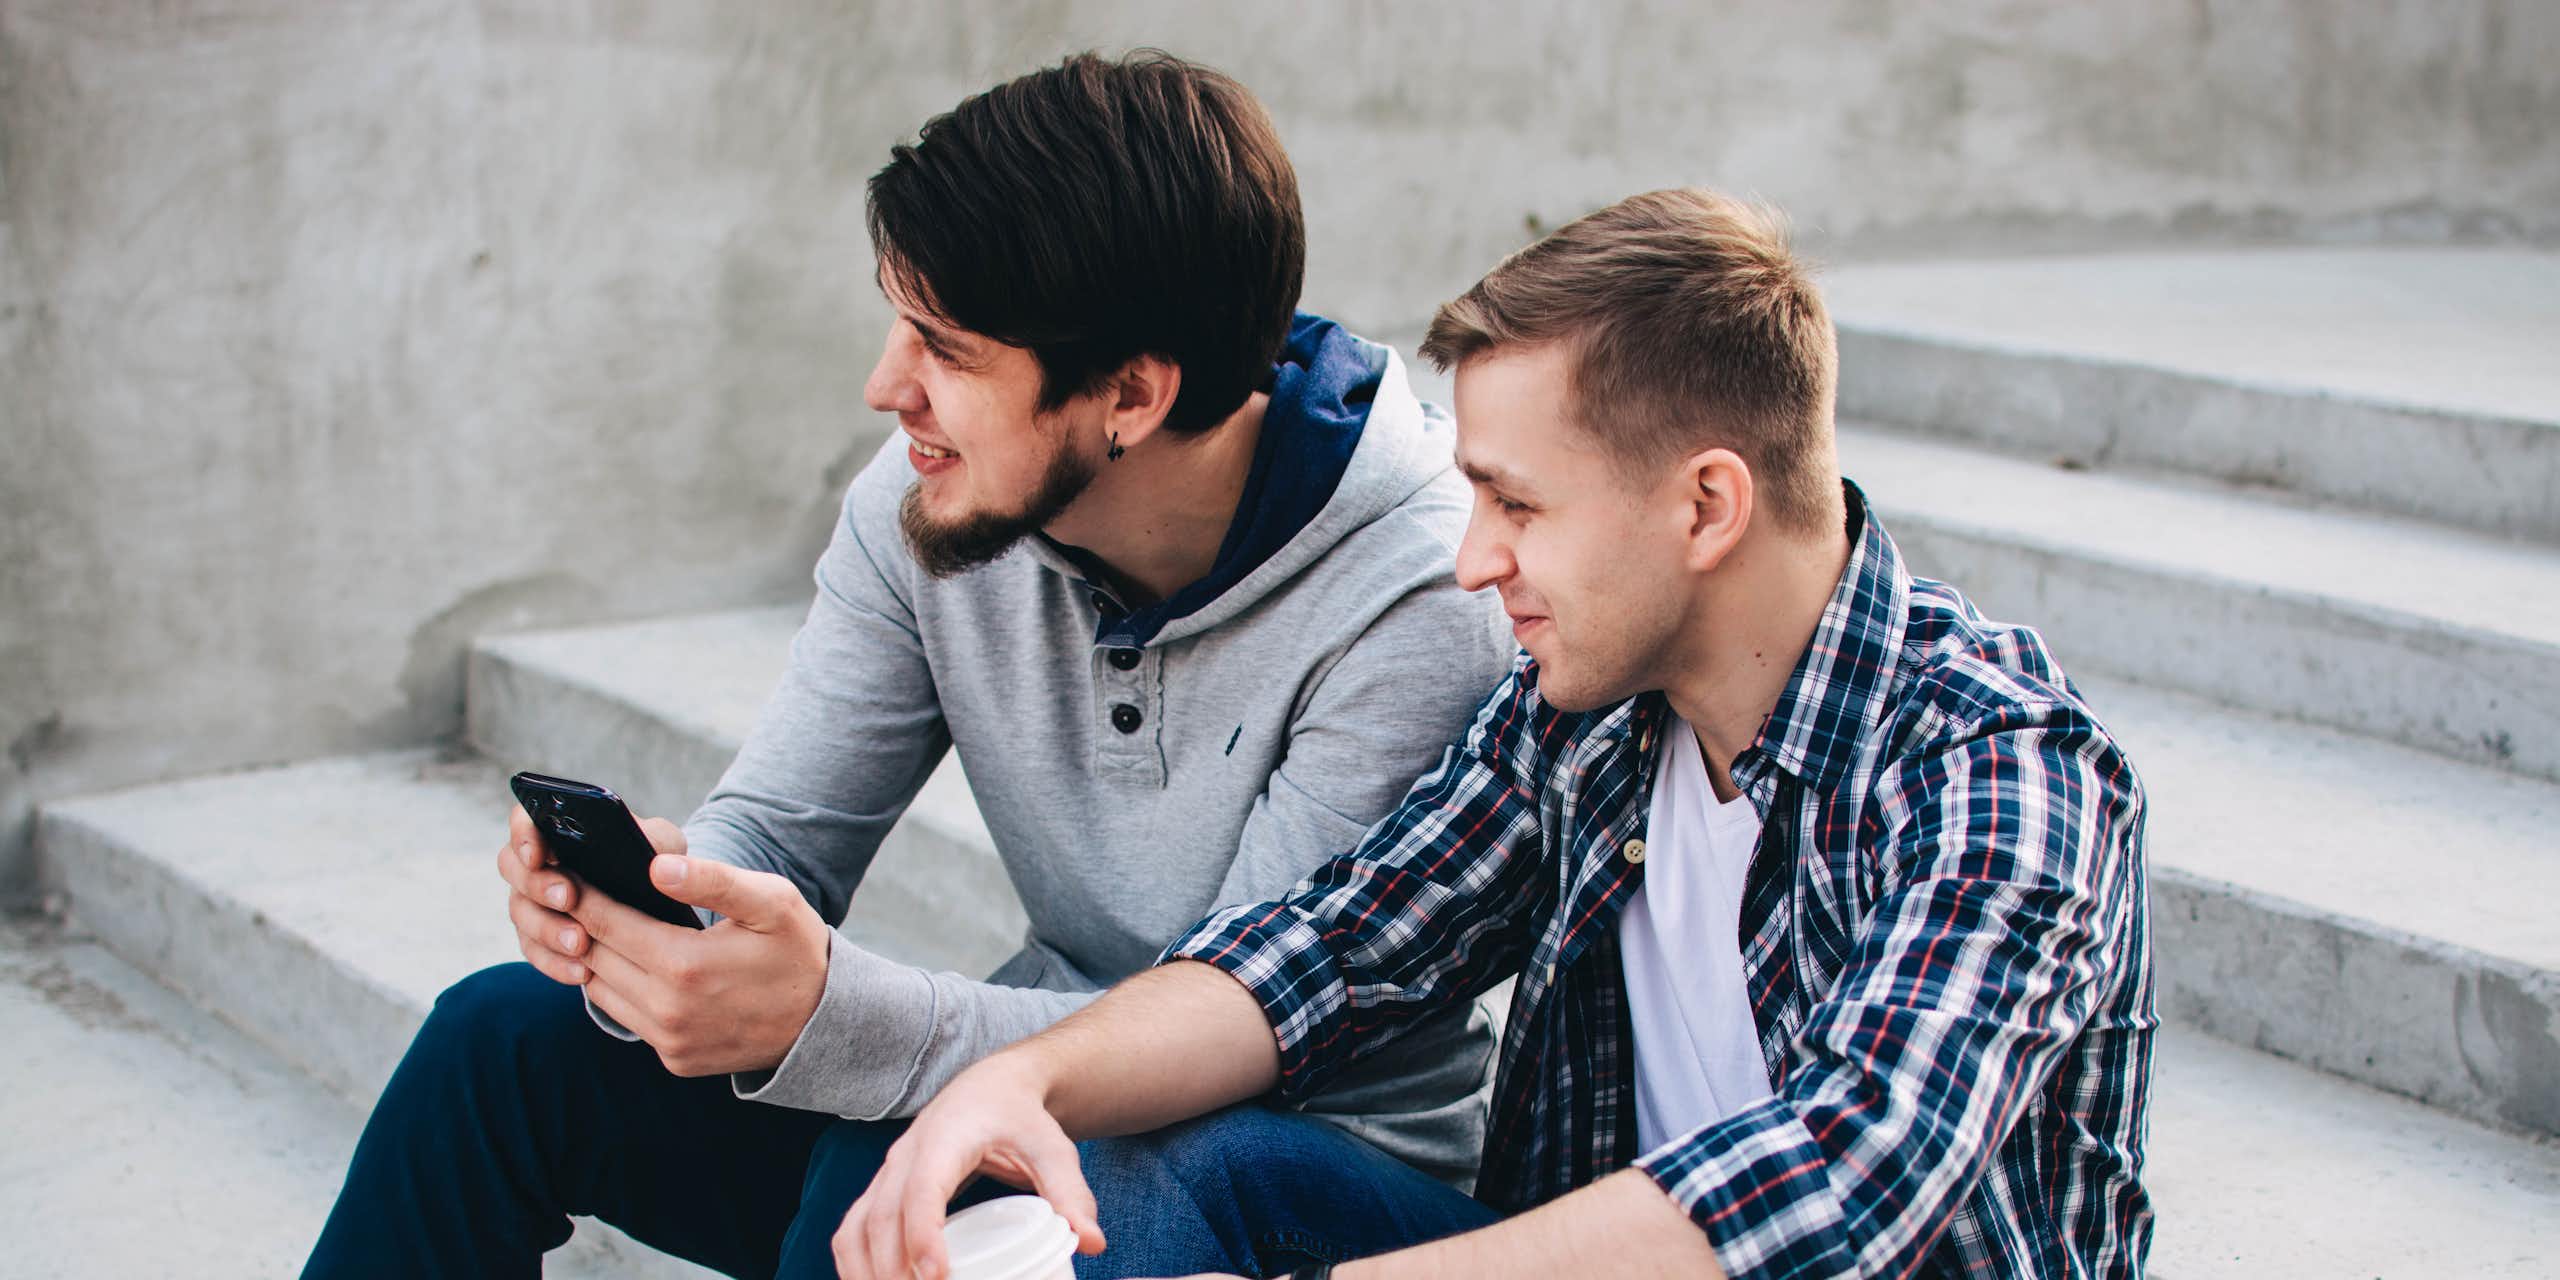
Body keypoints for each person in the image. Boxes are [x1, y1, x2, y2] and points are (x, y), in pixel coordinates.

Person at [302, 51, 1514, 1280]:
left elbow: (1234, 1023)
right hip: (1006, 1095)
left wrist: (836, 1021)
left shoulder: (1419, 595)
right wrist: (669, 935)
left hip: (1293, 1163)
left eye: (945, 347)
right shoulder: (935, 506)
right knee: (501, 1043)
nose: (887, 388)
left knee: (903, 1186)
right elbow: (777, 829)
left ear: (1131, 394)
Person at [838, 188, 2155, 1280]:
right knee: (1148, 1167)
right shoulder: (1589, 716)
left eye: (1517, 505)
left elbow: (1852, 1164)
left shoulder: (1996, 764)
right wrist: (1027, 1082)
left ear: (1705, 508)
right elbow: (1335, 947)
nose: (1474, 564)